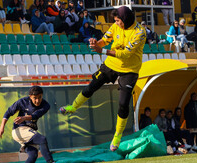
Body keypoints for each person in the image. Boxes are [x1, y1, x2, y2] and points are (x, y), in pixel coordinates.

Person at [59, 6, 146, 152]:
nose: (116, 23)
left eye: (118, 21)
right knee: (91, 86)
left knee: (124, 103)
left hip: (129, 70)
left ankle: (117, 135)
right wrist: (96, 43)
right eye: (115, 21)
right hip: (111, 65)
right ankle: (73, 107)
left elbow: (125, 54)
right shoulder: (115, 26)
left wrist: (103, 51)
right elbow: (105, 40)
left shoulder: (140, 33)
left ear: (125, 19)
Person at [0, 86, 70, 163]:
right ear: (30, 97)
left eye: (39, 97)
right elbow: (8, 113)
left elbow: (36, 115)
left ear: (42, 96)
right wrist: (1, 128)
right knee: (42, 139)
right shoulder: (22, 102)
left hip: (29, 131)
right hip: (19, 130)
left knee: (33, 154)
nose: (37, 100)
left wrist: (24, 118)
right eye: (34, 98)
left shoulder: (45, 105)